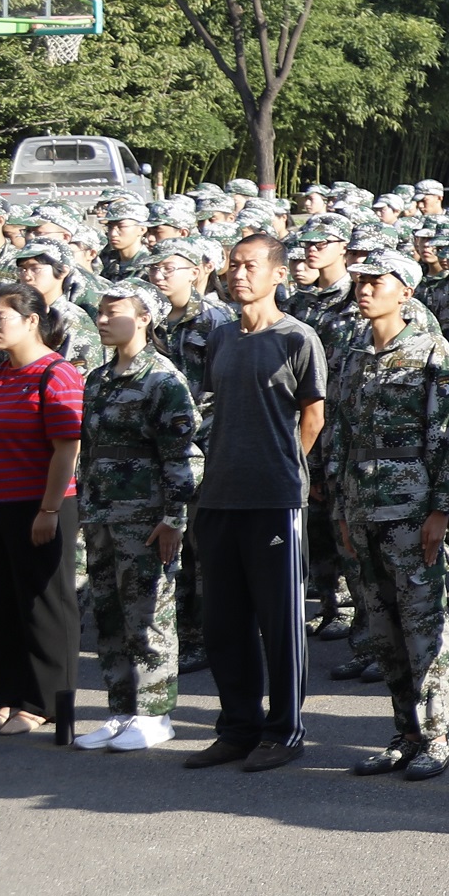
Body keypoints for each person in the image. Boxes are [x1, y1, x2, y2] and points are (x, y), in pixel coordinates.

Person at [186, 234, 329, 772]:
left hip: (274, 498)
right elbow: (212, 408)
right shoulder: (221, 338)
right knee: (224, 622)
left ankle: (284, 730)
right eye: (232, 266)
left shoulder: (297, 338)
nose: (238, 275)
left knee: (280, 621)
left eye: (250, 266)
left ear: (277, 275)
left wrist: (284, 463)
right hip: (221, 497)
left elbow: (313, 415)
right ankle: (237, 727)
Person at [325, 249, 449, 781]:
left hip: (410, 506)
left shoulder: (430, 351)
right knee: (382, 624)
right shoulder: (354, 353)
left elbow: (448, 436)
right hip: (361, 505)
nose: (363, 287)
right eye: (359, 279)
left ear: (405, 291)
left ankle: (436, 733)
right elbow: (339, 432)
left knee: (423, 620)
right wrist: (339, 504)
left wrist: (440, 510)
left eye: (375, 280)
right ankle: (404, 730)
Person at [69, 280, 196, 752]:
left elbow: (180, 456)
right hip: (102, 512)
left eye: (113, 311)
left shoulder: (162, 380)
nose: (102, 320)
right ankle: (121, 709)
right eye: (99, 312)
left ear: (145, 317)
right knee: (108, 614)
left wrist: (174, 517)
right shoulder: (99, 380)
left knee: (148, 614)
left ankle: (155, 713)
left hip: (145, 517)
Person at [0, 283, 84, 739]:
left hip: (39, 506)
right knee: (0, 606)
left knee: (44, 606)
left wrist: (49, 509)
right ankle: (10, 699)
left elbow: (65, 449)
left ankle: (44, 704)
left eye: (1, 317)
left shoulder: (55, 373)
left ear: (32, 320)